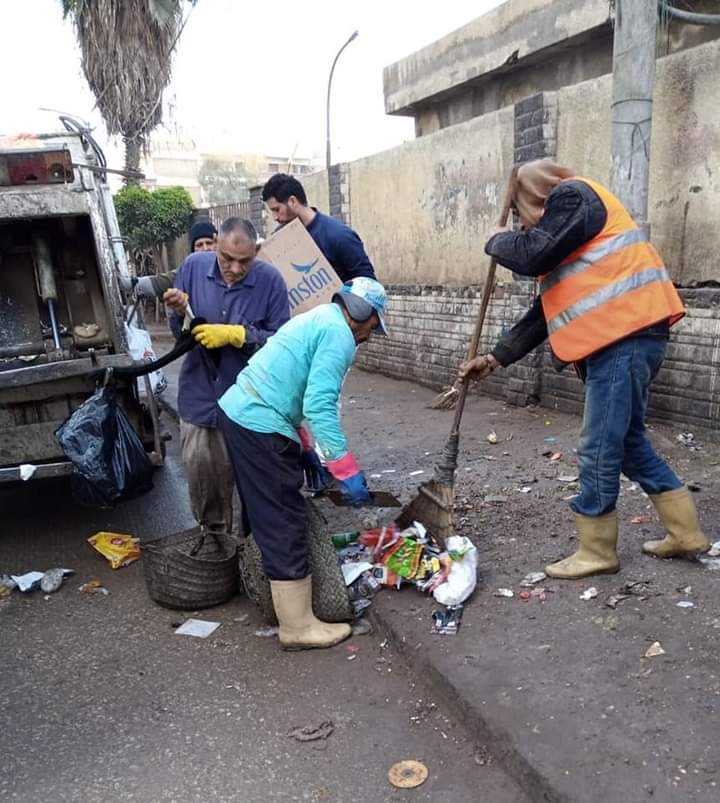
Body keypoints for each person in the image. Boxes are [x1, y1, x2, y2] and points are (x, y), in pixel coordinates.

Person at [459, 159, 709, 579]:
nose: (521, 227)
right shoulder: (572, 237)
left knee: (597, 447)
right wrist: (496, 357)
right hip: (626, 337)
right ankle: (686, 533)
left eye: (520, 215)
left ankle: (597, 551)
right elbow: (546, 311)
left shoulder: (573, 197)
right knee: (627, 443)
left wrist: (496, 241)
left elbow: (531, 251)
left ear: (532, 196)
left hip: (623, 336)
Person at [217, 277, 388, 650]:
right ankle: (296, 627)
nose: (371, 336)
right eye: (375, 325)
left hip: (242, 412)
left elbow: (292, 386)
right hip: (259, 421)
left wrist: (305, 447)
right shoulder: (340, 334)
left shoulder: (320, 317)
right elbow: (319, 406)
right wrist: (346, 470)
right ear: (363, 314)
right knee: (283, 517)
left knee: (262, 510)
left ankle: (263, 588)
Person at [163, 217, 290, 538]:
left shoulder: (271, 281)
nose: (234, 268)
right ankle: (216, 545)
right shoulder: (193, 267)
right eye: (226, 259)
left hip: (250, 403)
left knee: (255, 486)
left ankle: (253, 551)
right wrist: (180, 312)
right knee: (206, 479)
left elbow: (282, 344)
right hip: (201, 398)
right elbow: (180, 335)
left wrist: (238, 335)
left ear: (257, 251)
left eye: (244, 261)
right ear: (216, 243)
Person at [262, 173, 376, 282]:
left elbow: (369, 287)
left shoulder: (339, 236)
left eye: (277, 209)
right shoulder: (279, 239)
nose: (275, 217)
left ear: (292, 201)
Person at [124, 219, 218, 297]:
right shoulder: (187, 272)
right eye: (199, 245)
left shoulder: (229, 268)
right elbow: (160, 283)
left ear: (217, 244)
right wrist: (126, 283)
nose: (205, 249)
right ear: (193, 250)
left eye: (209, 243)